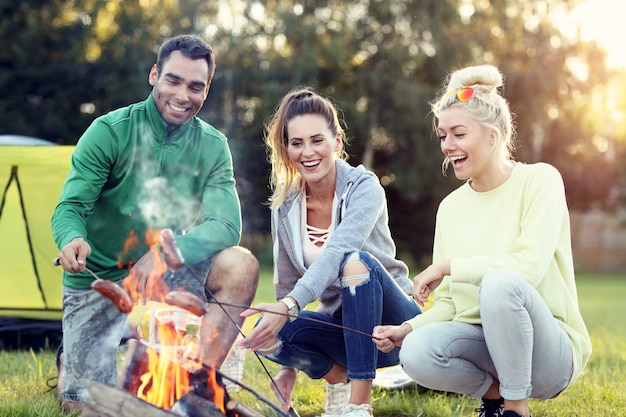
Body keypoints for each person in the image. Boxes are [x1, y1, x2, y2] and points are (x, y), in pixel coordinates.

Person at [51, 35, 259, 412]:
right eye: (173, 80)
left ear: (207, 90)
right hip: (98, 280)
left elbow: (226, 225)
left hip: (163, 279)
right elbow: (70, 207)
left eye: (196, 86)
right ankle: (73, 357)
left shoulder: (212, 145)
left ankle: (197, 384)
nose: (183, 95)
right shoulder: (109, 131)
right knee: (87, 406)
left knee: (239, 265)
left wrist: (164, 254)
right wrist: (71, 238)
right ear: (154, 75)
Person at [373, 65, 592, 417]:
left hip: (549, 356)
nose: (448, 146)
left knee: (500, 283)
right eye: (443, 136)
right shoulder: (450, 209)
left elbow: (528, 269)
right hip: (489, 350)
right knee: (414, 351)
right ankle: (495, 398)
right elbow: (449, 307)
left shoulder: (540, 181)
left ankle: (516, 410)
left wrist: (448, 267)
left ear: (492, 137)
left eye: (458, 134)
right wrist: (407, 328)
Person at [240, 88, 421, 417]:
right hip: (341, 329)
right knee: (263, 331)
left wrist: (291, 304)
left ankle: (358, 404)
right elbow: (286, 282)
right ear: (287, 148)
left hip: (394, 325)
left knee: (355, 263)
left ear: (337, 141)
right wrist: (288, 369)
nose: (307, 152)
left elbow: (340, 248)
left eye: (316, 140)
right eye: (297, 143)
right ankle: (338, 377)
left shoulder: (364, 187)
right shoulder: (285, 205)